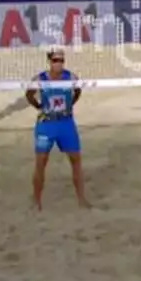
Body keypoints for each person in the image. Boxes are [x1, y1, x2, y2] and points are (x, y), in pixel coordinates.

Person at [24, 48, 90, 210]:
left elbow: (78, 91)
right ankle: (36, 200)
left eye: (61, 60)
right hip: (47, 124)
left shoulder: (71, 77)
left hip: (66, 123)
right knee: (41, 163)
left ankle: (81, 199)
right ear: (50, 62)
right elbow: (28, 94)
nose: (58, 64)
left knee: (76, 161)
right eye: (55, 60)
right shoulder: (40, 79)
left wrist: (71, 104)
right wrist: (38, 106)